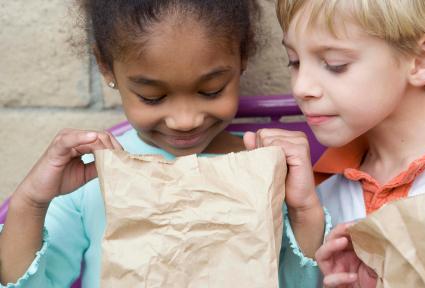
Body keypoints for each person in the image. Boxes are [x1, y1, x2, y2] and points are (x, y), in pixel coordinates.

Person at [0, 1, 329, 287]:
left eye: (211, 90)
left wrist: (301, 210)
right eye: (152, 97)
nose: (184, 120)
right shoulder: (90, 181)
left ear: (242, 57)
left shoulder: (263, 169)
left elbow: (298, 282)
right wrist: (29, 202)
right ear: (105, 65)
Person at [271, 0, 425, 286]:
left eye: (335, 65)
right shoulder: (317, 194)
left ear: (422, 59)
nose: (300, 87)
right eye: (294, 61)